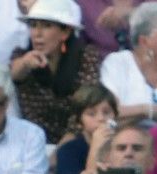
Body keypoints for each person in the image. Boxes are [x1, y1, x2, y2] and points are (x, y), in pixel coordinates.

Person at [11, 0, 105, 143]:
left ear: (65, 32)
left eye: (46, 26)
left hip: (76, 142)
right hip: (31, 142)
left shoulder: (86, 57)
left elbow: (85, 104)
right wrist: (25, 63)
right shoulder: (22, 57)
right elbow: (12, 74)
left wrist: (61, 151)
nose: (37, 33)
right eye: (33, 25)